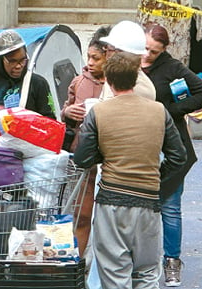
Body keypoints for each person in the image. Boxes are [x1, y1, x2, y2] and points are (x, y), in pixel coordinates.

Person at [74, 51, 186, 289]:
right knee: (146, 272)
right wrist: (156, 177)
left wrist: (105, 154)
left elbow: (83, 158)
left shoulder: (99, 113)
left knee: (115, 273)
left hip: (112, 200)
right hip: (148, 200)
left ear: (108, 80)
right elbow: (178, 157)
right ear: (135, 79)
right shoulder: (158, 111)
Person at [141, 23, 202, 287]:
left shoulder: (172, 68)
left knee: (170, 207)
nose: (147, 55)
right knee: (138, 207)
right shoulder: (127, 61)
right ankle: (140, 261)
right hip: (137, 146)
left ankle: (172, 261)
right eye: (145, 49)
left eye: (154, 52)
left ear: (164, 51)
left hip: (170, 147)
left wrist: (171, 110)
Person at [60, 25, 111, 258]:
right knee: (81, 213)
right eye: (88, 57)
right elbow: (63, 112)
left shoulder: (115, 84)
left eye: (96, 58)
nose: (90, 62)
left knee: (107, 222)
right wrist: (68, 112)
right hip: (83, 158)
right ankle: (78, 263)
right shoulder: (79, 81)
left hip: (110, 159)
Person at [0, 29, 55, 120]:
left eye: (22, 60)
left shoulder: (38, 84)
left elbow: (50, 121)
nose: (18, 66)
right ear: (1, 60)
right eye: (12, 61)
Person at [98, 20, 156, 101]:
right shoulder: (114, 76)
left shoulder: (141, 89)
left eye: (109, 50)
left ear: (121, 55)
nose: (106, 55)